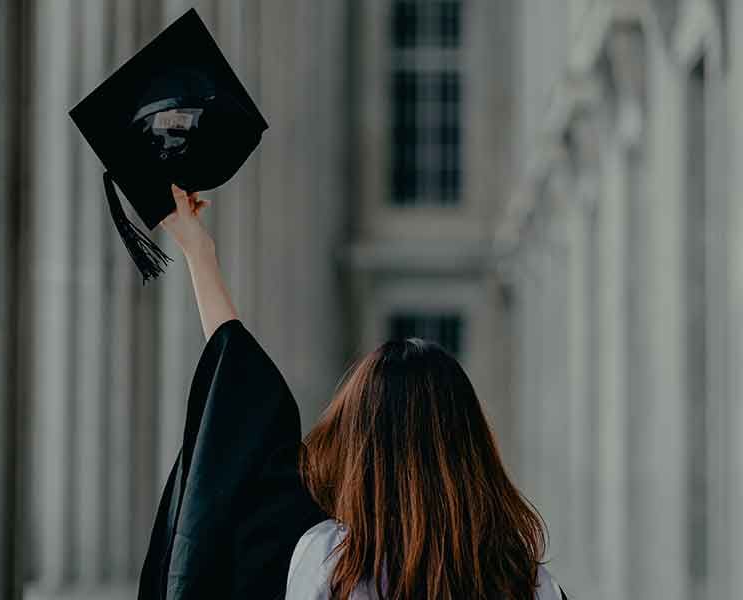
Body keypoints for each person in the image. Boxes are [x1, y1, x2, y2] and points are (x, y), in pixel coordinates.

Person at [154, 184, 567, 600]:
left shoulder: (331, 564)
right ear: (471, 447)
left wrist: (199, 253)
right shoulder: (526, 580)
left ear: (360, 447)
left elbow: (243, 403)